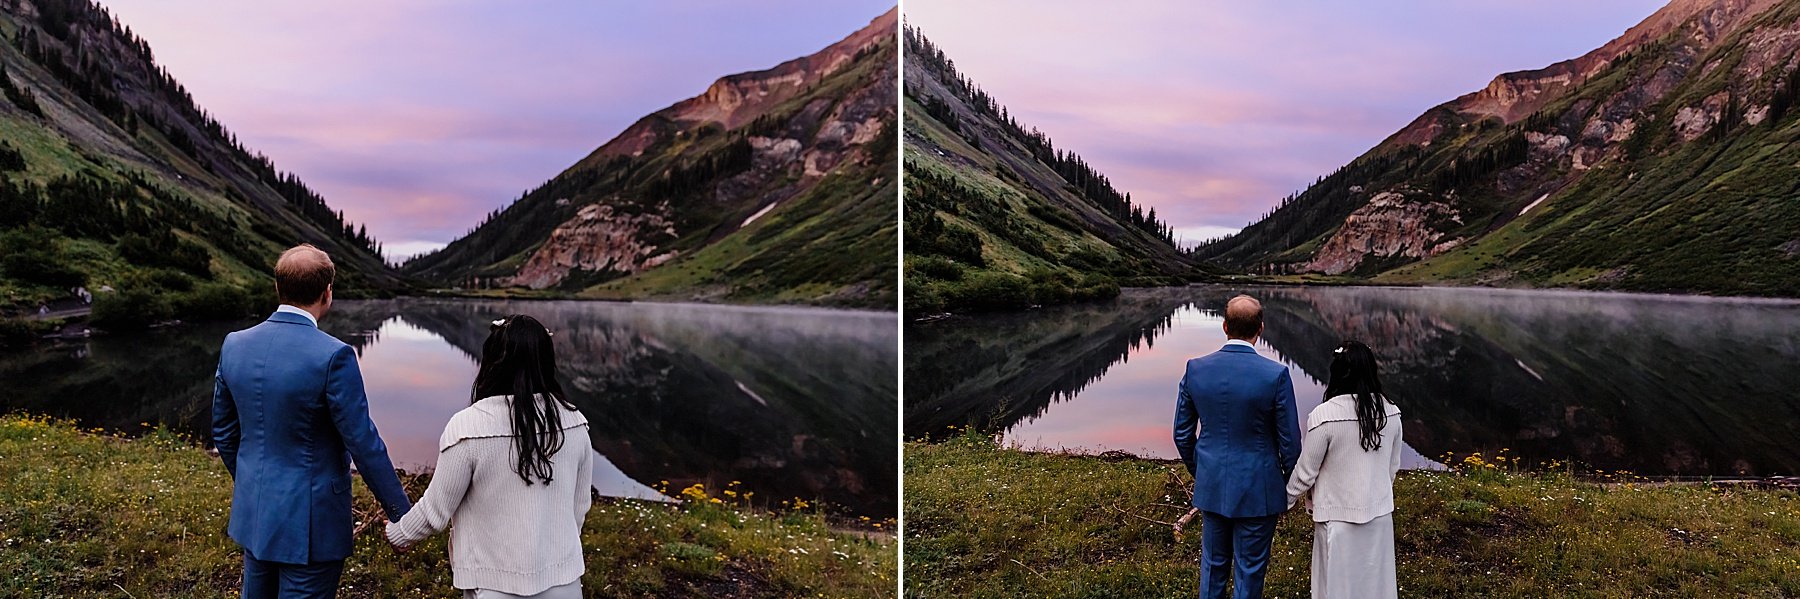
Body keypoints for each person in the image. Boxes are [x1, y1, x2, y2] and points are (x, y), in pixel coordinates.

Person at [211, 244, 412, 598]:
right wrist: (401, 513)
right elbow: (362, 442)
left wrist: (255, 483)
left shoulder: (234, 345)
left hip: (257, 514)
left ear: (278, 288)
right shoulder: (334, 355)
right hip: (312, 525)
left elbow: (225, 432)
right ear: (327, 293)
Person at [386, 314, 593, 599]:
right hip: (565, 583)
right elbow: (579, 507)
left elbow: (435, 511)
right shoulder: (574, 421)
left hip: (493, 585)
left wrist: (398, 534)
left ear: (493, 361)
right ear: (546, 360)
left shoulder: (469, 425)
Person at [1174, 294, 1302, 599]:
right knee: (1250, 570)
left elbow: (1182, 434)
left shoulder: (1196, 369)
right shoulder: (1276, 375)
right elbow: (1291, 444)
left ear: (1224, 326)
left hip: (1213, 482)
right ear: (1261, 328)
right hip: (1260, 487)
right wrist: (1281, 481)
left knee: (1213, 565)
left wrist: (1202, 470)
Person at [1285, 341, 1403, 599]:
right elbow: (1391, 468)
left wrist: (1284, 500)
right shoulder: (1391, 413)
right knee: (1376, 585)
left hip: (1336, 518)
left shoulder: (1324, 415)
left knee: (1335, 587)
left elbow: (1306, 473)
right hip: (1379, 514)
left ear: (1337, 372)